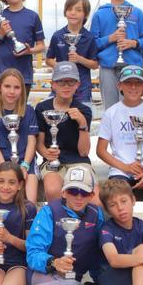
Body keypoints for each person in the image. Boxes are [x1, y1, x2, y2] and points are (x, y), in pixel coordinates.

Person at [0, 165, 122, 285]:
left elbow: (95, 252)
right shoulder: (49, 211)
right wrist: (54, 262)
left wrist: (98, 278)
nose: (78, 197)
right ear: (63, 191)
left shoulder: (96, 214)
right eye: (73, 191)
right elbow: (33, 253)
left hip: (70, 281)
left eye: (84, 192)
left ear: (92, 194)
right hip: (43, 274)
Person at [97, 65, 143, 208]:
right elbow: (101, 150)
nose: (133, 87)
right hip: (120, 171)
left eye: (138, 83)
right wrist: (125, 167)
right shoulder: (111, 113)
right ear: (119, 86)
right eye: (128, 83)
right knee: (118, 206)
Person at [90, 0, 143, 109]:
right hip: (108, 67)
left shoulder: (137, 13)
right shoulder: (99, 14)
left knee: (133, 108)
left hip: (133, 66)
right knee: (111, 108)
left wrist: (134, 43)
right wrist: (110, 38)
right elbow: (92, 44)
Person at [36, 62, 93, 202]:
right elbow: (39, 143)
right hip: (52, 162)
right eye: (61, 82)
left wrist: (82, 123)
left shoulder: (84, 110)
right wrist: (45, 153)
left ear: (77, 84)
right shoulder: (42, 108)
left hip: (78, 162)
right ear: (53, 84)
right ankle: (58, 223)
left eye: (70, 82)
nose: (66, 86)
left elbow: (84, 152)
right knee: (53, 190)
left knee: (94, 199)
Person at [0, 69, 39, 203]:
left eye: (16, 87)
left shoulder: (29, 111)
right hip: (1, 162)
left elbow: (32, 142)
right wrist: (5, 168)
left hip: (26, 162)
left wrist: (25, 165)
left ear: (22, 89)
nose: (11, 91)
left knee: (30, 203)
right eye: (7, 86)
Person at [0, 0, 45, 90]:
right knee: (2, 109)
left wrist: (29, 51)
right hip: (1, 76)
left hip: (24, 76)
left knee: (21, 109)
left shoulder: (33, 16)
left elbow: (41, 46)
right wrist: (0, 34)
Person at [46, 0, 99, 109]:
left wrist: (80, 59)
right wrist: (60, 66)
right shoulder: (57, 35)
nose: (73, 13)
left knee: (81, 121)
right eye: (70, 9)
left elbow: (95, 64)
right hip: (59, 88)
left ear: (85, 14)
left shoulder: (89, 38)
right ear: (65, 12)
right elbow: (48, 59)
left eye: (78, 10)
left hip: (82, 90)